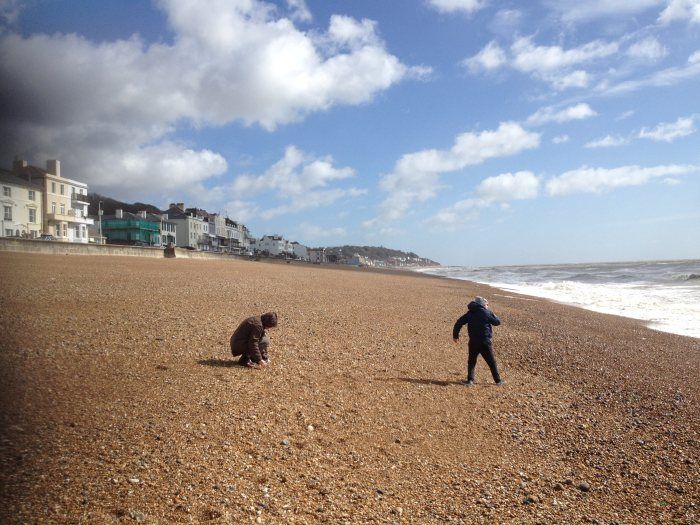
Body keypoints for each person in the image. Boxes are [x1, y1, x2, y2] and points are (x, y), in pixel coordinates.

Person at [452, 297, 503, 386]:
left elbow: (458, 323)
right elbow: (497, 322)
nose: (488, 306)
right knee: (491, 362)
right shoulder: (487, 313)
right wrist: (493, 314)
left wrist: (455, 335)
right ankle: (498, 381)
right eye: (487, 305)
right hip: (485, 342)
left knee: (471, 361)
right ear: (483, 305)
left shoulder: (470, 313)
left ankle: (470, 380)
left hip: (473, 342)